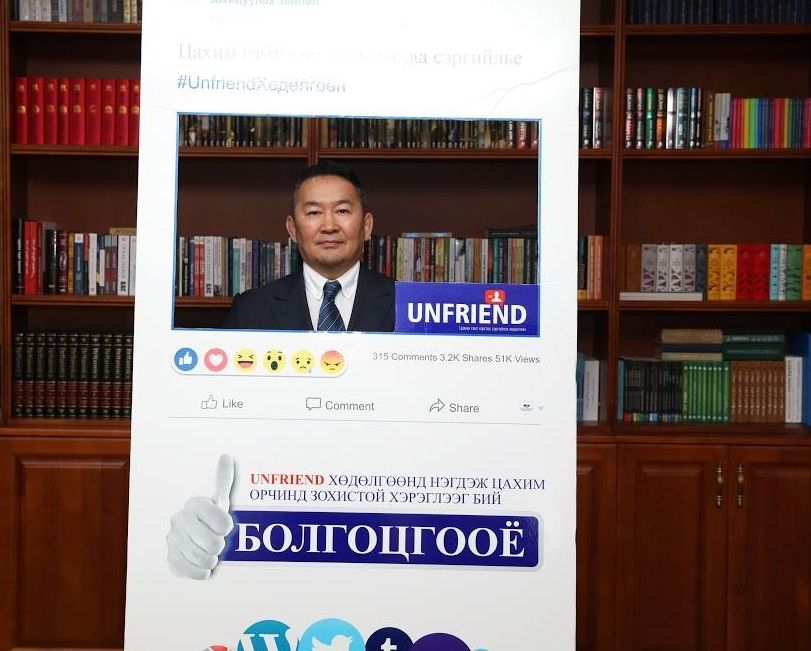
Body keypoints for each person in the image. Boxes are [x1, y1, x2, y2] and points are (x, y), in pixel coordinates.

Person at [222, 160, 395, 332]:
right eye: (314, 212)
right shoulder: (251, 310)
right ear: (292, 228)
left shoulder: (403, 303)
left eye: (342, 211)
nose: (329, 226)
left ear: (366, 226)